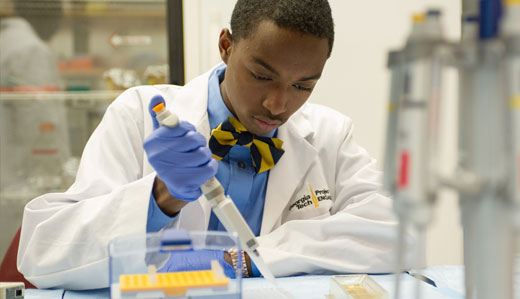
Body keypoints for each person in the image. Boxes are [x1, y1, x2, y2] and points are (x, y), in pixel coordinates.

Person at [18, 0, 418, 290]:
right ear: (226, 45)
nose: (278, 106)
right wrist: (160, 197)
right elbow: (44, 251)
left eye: (302, 86)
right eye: (262, 76)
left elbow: (398, 235)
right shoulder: (140, 113)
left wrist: (249, 259)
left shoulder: (330, 134)